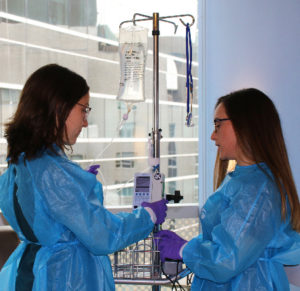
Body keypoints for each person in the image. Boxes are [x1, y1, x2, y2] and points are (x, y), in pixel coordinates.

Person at [0, 64, 168, 291]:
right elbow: (104, 235)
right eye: (84, 110)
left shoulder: (17, 166)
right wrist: (147, 215)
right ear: (59, 107)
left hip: (29, 274)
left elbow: (44, 216)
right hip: (66, 277)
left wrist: (77, 190)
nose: (86, 122)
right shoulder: (56, 173)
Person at [155, 88, 300, 290]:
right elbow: (228, 237)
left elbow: (226, 259)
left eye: (218, 125)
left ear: (245, 124)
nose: (213, 136)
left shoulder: (260, 189)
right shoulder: (239, 178)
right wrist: (189, 247)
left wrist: (184, 250)